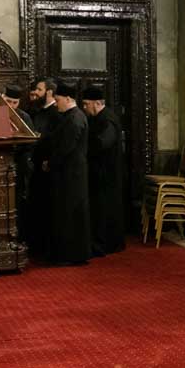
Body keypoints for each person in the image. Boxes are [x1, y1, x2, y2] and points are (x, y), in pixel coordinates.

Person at [36, 81, 92, 264]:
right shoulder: (70, 116)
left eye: (58, 100)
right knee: (64, 214)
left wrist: (50, 162)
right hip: (67, 174)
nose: (56, 103)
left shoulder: (75, 118)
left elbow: (66, 147)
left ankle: (70, 256)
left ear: (68, 99)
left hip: (71, 175)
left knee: (70, 215)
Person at [83, 86, 126, 256]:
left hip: (107, 174)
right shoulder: (97, 118)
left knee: (104, 211)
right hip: (99, 173)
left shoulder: (107, 120)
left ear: (96, 103)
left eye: (86, 104)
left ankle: (105, 245)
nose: (84, 107)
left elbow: (103, 143)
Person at [21, 79, 58, 255]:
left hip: (48, 167)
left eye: (39, 89)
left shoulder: (57, 112)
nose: (35, 93)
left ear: (49, 92)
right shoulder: (34, 110)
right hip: (33, 165)